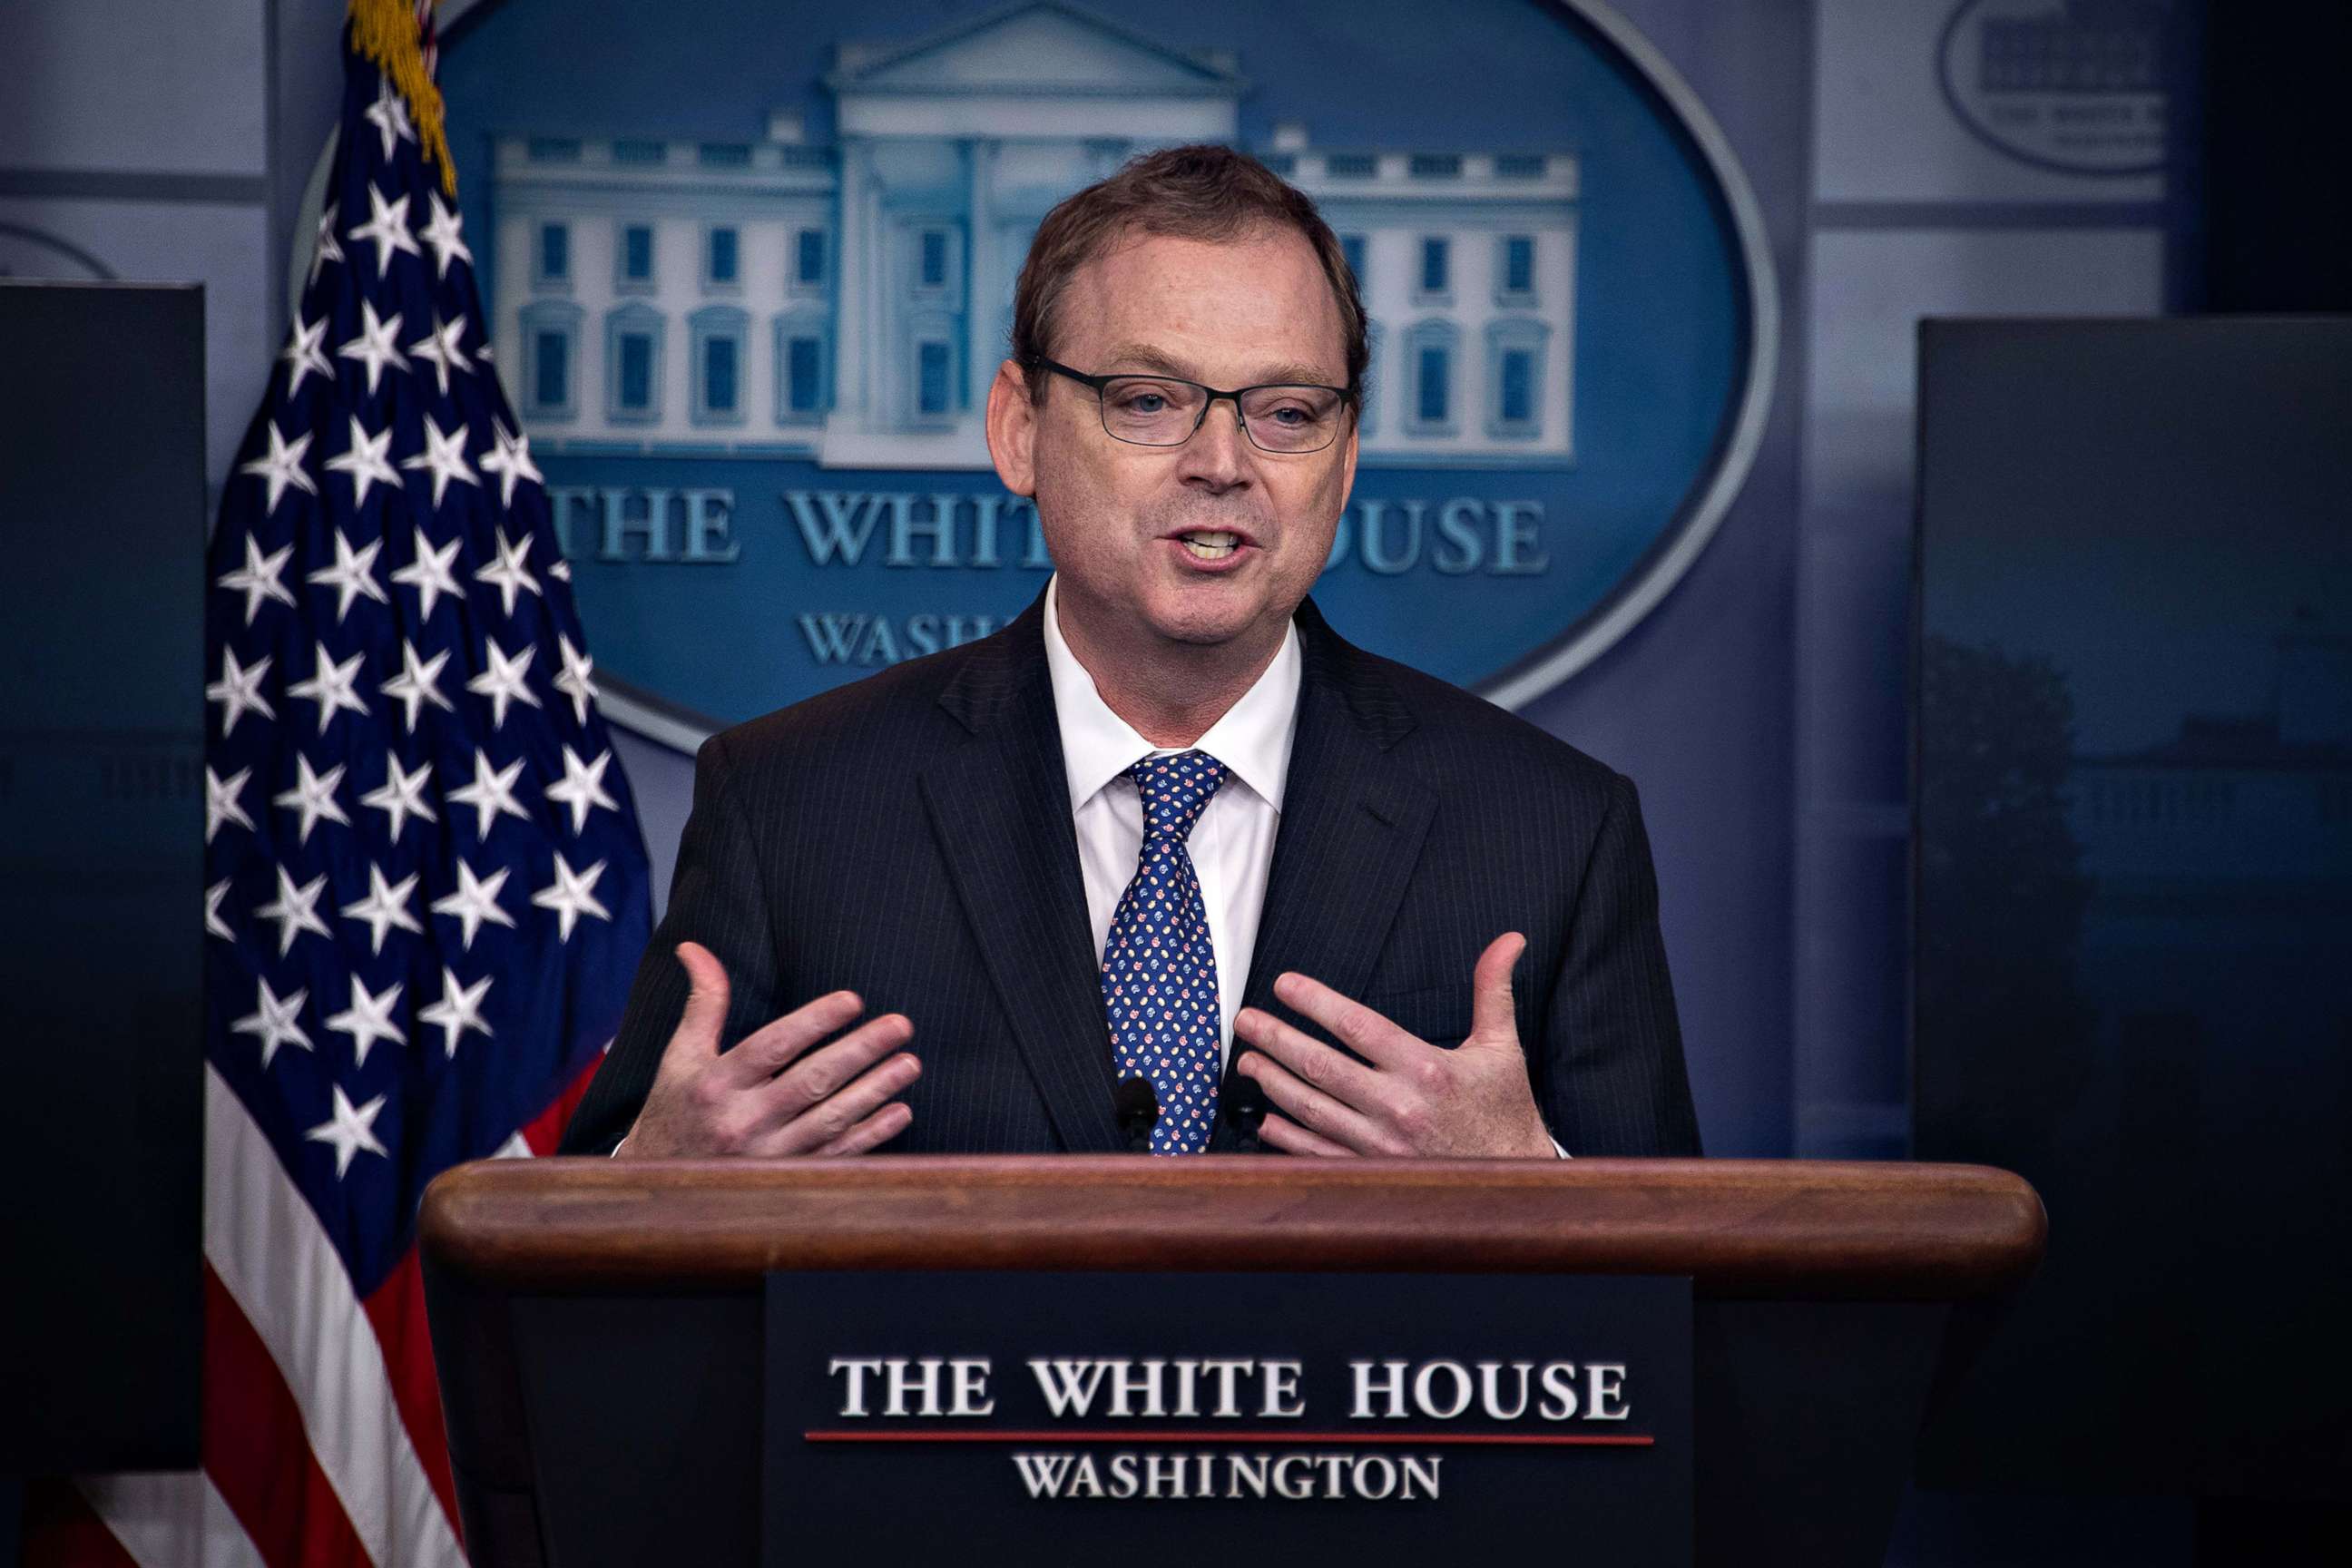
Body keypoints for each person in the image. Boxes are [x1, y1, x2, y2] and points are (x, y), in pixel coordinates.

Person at [558, 145, 1700, 1161]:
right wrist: (654, 1191)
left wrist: (1533, 1190)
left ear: (1346, 460)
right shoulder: (791, 807)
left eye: (1289, 412)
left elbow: (1679, 1324)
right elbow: (594, 1260)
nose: (1223, 462)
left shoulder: (1552, 833)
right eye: (1149, 400)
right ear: (1020, 431)